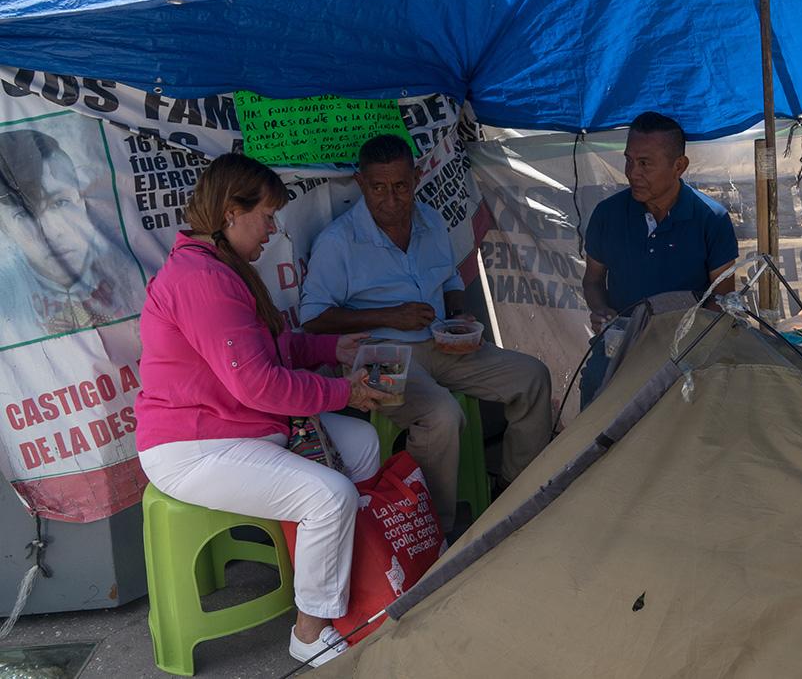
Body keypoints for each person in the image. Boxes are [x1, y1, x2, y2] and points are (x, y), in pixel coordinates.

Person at [134, 154, 391, 668]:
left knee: (363, 445)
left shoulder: (224, 268)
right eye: (267, 216)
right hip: (194, 444)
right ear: (232, 212)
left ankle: (345, 578)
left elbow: (270, 352)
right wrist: (345, 392)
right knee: (330, 495)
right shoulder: (202, 279)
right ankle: (310, 631)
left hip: (240, 425)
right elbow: (259, 385)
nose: (273, 229)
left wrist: (331, 351)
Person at [300, 134, 553, 534]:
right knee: (440, 415)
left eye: (400, 186)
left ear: (416, 178)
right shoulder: (339, 242)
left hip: (440, 342)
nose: (390, 199)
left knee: (532, 376)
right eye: (378, 188)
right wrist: (390, 316)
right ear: (361, 184)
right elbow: (313, 319)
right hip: (378, 353)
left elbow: (450, 277)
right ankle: (433, 529)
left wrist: (457, 317)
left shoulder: (431, 220)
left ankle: (516, 490)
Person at [580, 112, 739, 407]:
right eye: (629, 160)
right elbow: (592, 280)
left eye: (645, 163)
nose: (632, 173)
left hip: (686, 350)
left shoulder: (710, 219)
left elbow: (723, 300)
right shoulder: (607, 214)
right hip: (622, 344)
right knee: (594, 390)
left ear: (679, 166)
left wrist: (689, 343)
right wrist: (602, 311)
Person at [0, 129, 144, 345]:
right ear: (4, 228)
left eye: (60, 203)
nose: (50, 231)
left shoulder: (137, 268)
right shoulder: (9, 305)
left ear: (82, 200)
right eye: (24, 215)